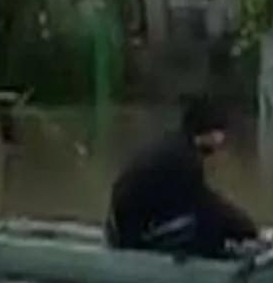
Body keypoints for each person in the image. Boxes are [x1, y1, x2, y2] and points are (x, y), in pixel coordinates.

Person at [104, 95, 258, 260]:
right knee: (210, 225)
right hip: (131, 238)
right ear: (206, 132)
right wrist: (247, 229)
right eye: (219, 133)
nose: (221, 141)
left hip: (122, 226)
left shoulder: (176, 146)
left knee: (209, 219)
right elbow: (207, 206)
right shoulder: (186, 160)